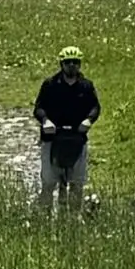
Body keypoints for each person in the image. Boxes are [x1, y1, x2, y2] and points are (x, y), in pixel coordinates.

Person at [32, 48, 100, 208]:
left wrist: (89, 120)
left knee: (77, 182)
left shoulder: (86, 86)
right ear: (61, 64)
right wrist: (45, 121)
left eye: (75, 62)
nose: (72, 65)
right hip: (52, 138)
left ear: (80, 64)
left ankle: (73, 216)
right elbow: (39, 108)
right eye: (68, 62)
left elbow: (95, 107)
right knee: (49, 181)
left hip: (77, 138)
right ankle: (44, 214)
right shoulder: (50, 84)